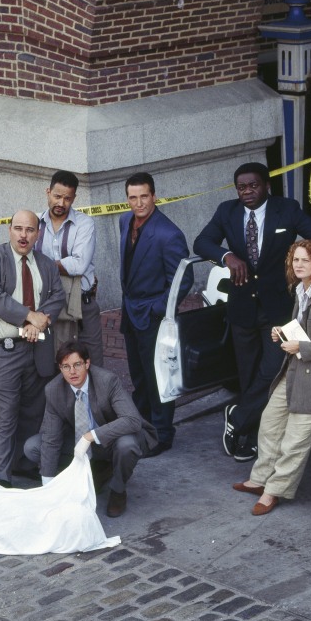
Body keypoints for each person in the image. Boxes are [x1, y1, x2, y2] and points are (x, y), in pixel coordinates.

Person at [193, 162, 311, 463]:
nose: (247, 191)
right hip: (241, 309)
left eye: (253, 185)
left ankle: (238, 417)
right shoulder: (226, 211)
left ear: (267, 186)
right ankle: (249, 434)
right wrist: (227, 256)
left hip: (279, 310)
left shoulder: (287, 209)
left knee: (273, 370)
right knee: (248, 373)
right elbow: (202, 242)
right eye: (241, 187)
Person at [233, 240, 311, 515]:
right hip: (293, 370)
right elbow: (306, 327)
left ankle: (273, 491)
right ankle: (259, 479)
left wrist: (301, 347)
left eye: (305, 261)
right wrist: (282, 332)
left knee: (295, 442)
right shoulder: (301, 290)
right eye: (295, 260)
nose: (298, 265)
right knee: (269, 425)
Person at [0, 210, 65, 486]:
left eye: (29, 230)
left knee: (33, 412)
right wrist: (29, 316)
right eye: (18, 228)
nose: (23, 235)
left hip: (37, 349)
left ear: (38, 233)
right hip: (3, 351)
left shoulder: (45, 264)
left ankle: (22, 464)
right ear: (9, 229)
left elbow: (57, 297)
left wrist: (39, 322)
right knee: (5, 416)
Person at [24, 341, 157, 517]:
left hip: (111, 440)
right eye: (66, 367)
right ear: (60, 369)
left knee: (127, 445)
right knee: (33, 446)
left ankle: (118, 490)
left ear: (87, 363)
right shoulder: (53, 390)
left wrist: (90, 436)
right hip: (80, 443)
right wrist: (48, 489)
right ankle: (89, 475)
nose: (72, 372)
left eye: (77, 364)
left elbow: (132, 420)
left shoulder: (107, 381)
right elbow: (51, 438)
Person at [119, 171, 190, 458]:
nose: (138, 203)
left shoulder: (168, 233)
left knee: (159, 378)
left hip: (152, 317)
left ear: (154, 196)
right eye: (133, 197)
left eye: (144, 196)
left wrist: (155, 310)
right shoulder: (125, 220)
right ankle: (142, 425)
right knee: (139, 376)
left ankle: (161, 435)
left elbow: (182, 282)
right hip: (130, 312)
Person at [34, 170, 104, 365]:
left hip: (83, 305)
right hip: (47, 305)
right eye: (57, 196)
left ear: (74, 198)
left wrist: (42, 264)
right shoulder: (34, 222)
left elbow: (79, 264)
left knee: (92, 362)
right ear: (48, 192)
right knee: (54, 361)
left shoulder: (85, 223)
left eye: (67, 198)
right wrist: (63, 265)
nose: (61, 203)